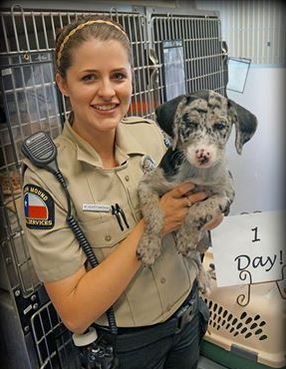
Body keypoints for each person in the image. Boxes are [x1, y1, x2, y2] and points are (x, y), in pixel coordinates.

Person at [21, 15, 224, 369]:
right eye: (88, 78)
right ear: (62, 84)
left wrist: (209, 208)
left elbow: (203, 221)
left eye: (118, 76)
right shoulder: (48, 180)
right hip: (128, 348)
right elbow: (74, 313)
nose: (108, 91)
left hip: (188, 317)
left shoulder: (152, 135)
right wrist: (155, 225)